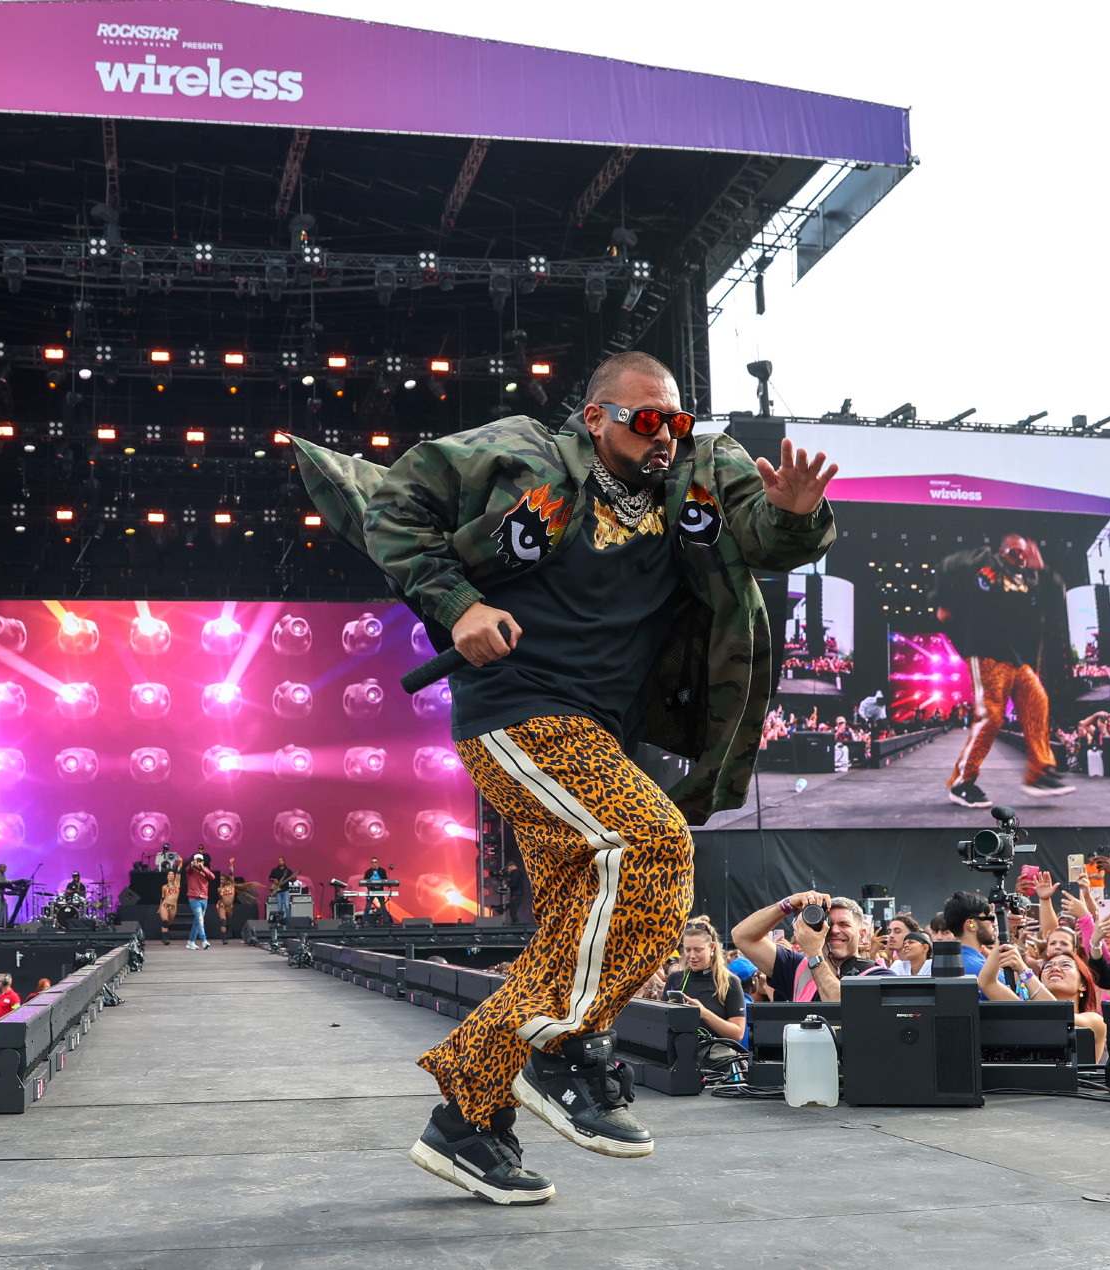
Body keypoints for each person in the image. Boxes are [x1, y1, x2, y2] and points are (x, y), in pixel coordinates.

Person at [296, 347, 837, 1205]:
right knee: (654, 847)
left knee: (572, 939)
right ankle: (560, 1048)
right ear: (596, 418)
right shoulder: (522, 455)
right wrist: (457, 606)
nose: (665, 436)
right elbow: (397, 506)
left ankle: (468, 1121)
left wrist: (799, 516)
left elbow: (765, 534)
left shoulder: (701, 467)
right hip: (516, 710)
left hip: (603, 734)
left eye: (676, 418)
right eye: (644, 419)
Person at [933, 533, 1074, 808]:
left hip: (1017, 658)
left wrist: (1041, 568)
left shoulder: (1031, 580)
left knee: (1038, 701)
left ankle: (1040, 773)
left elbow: (1058, 595)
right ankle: (963, 782)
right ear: (1001, 552)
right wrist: (944, 602)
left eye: (1023, 553)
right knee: (992, 716)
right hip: (987, 652)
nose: (1020, 557)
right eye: (1014, 552)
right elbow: (950, 567)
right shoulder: (986, 566)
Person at [732, 892, 889, 1003]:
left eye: (844, 924)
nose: (834, 930)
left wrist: (814, 953)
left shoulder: (880, 976)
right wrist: (788, 904)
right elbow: (742, 937)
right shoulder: (798, 969)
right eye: (827, 924)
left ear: (862, 934)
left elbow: (840, 1004)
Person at [659, 920, 746, 1044]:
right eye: (687, 950)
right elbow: (661, 1027)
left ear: (712, 947)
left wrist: (704, 1014)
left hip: (714, 1057)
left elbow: (738, 1034)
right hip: (680, 1054)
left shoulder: (729, 982)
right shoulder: (676, 978)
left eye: (698, 950)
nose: (692, 956)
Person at [182, 852, 216, 950]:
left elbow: (212, 877)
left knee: (198, 921)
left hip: (204, 898)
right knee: (200, 919)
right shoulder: (191, 869)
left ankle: (190, 942)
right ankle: (204, 941)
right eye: (197, 860)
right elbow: (187, 869)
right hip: (194, 897)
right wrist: (193, 864)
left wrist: (202, 868)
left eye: (200, 860)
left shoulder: (205, 870)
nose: (198, 862)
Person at [362, 857, 393, 922]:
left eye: (375, 862)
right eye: (372, 862)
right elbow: (364, 881)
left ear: (378, 863)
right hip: (371, 891)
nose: (374, 864)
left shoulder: (382, 871)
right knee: (367, 907)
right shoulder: (368, 872)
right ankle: (364, 921)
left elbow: (385, 880)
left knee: (383, 907)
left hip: (380, 891)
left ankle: (386, 921)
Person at [268, 857, 298, 924]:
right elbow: (270, 878)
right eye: (279, 861)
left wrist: (294, 878)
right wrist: (274, 880)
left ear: (284, 861)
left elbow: (292, 880)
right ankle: (280, 921)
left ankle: (289, 921)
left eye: (281, 860)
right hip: (278, 891)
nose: (280, 862)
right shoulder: (275, 870)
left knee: (287, 906)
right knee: (280, 907)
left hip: (285, 890)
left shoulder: (288, 871)